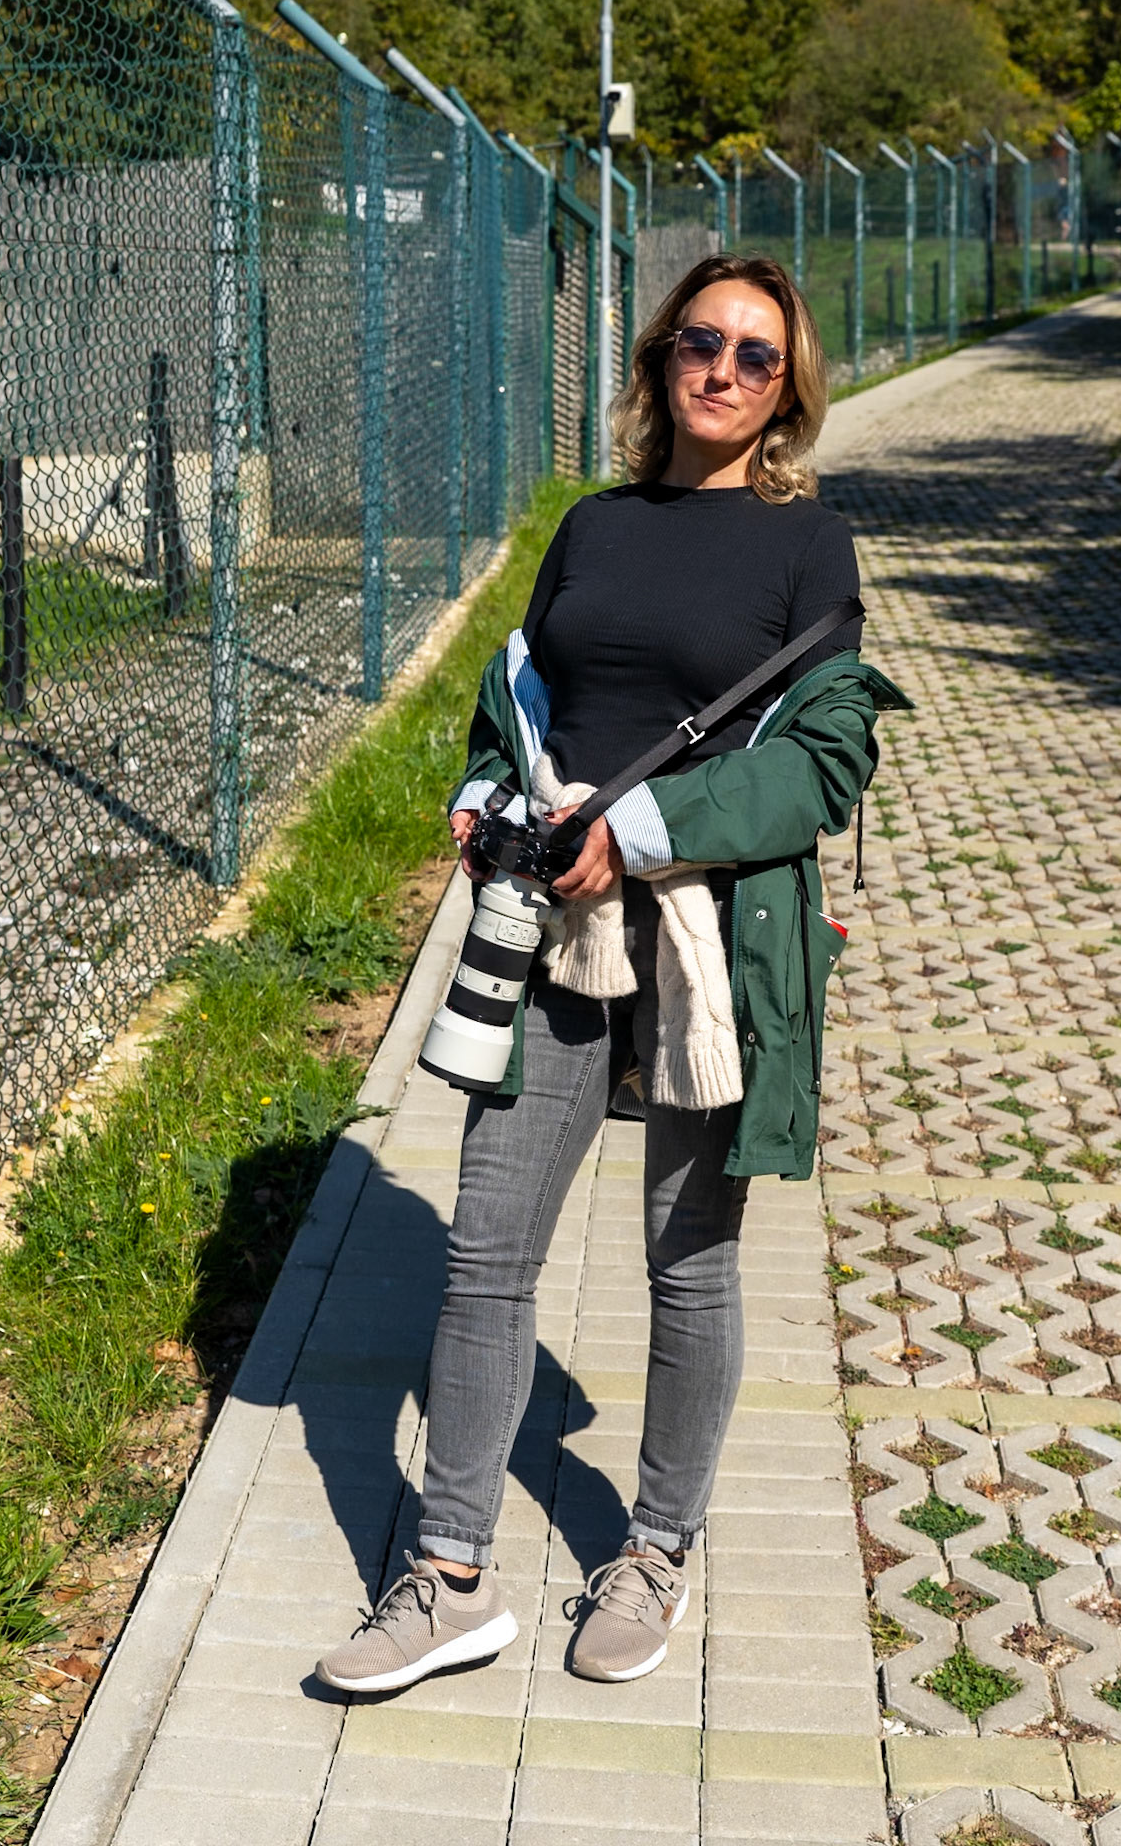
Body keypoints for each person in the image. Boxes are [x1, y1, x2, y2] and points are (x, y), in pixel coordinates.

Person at [316, 253, 908, 1697]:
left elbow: (824, 763)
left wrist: (634, 836)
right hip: (552, 935)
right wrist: (484, 797)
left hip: (710, 940)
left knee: (687, 1261)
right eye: (700, 341)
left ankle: (654, 1548)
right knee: (484, 1250)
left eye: (756, 354)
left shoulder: (807, 545)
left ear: (789, 389)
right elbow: (520, 702)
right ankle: (449, 1575)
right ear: (657, 360)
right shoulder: (590, 525)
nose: (722, 370)